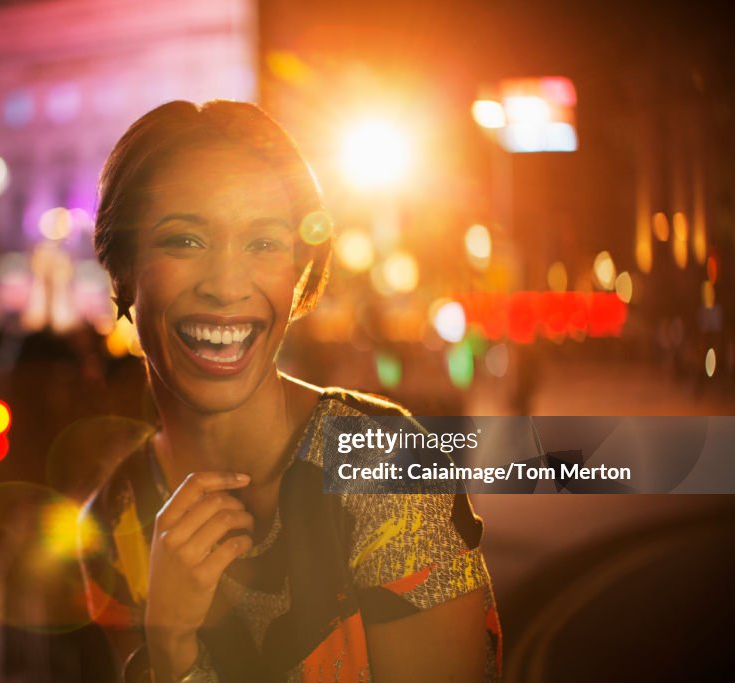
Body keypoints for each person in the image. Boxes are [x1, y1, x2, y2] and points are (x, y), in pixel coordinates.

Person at [79, 100, 501, 682]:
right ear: (123, 273)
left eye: (264, 244)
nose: (227, 287)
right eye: (185, 241)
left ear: (299, 275)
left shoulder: (387, 471)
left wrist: (174, 654)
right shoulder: (112, 521)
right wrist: (167, 635)